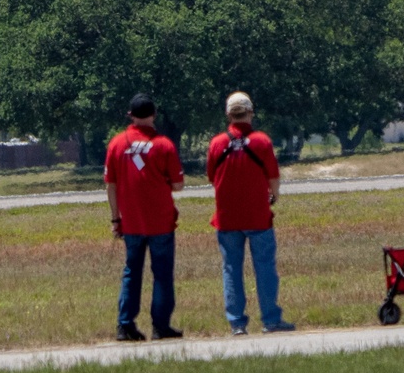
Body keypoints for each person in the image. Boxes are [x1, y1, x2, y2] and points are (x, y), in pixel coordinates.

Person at [206, 91, 295, 335]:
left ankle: (236, 323)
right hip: (257, 216)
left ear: (228, 115)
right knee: (265, 267)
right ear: (250, 113)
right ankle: (270, 319)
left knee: (231, 269)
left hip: (227, 218)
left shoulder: (217, 143)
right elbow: (273, 177)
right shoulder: (261, 141)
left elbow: (212, 176)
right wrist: (273, 196)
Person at [104, 92, 185, 341]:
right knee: (161, 272)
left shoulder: (117, 144)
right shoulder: (164, 144)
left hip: (132, 222)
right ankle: (160, 326)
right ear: (153, 115)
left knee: (132, 271)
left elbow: (111, 185)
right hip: (160, 220)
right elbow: (178, 184)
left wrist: (116, 219)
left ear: (130, 116)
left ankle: (125, 324)